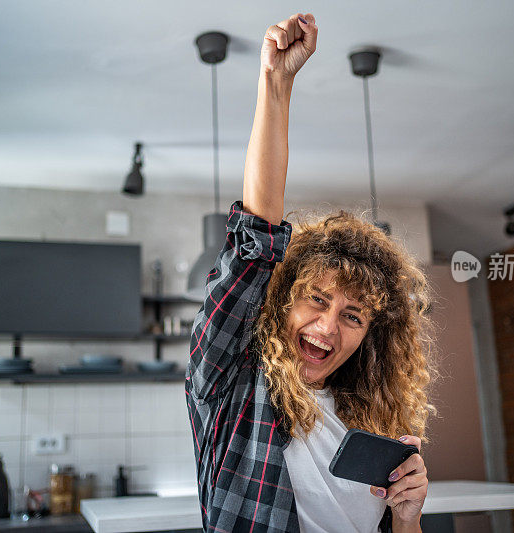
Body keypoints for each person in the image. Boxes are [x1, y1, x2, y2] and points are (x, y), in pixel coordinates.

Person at [186, 12, 435, 533]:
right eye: (317, 299)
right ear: (282, 299)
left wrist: (407, 515)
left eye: (353, 315)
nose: (327, 327)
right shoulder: (234, 385)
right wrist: (276, 83)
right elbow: (256, 236)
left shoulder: (371, 416)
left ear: (370, 334)